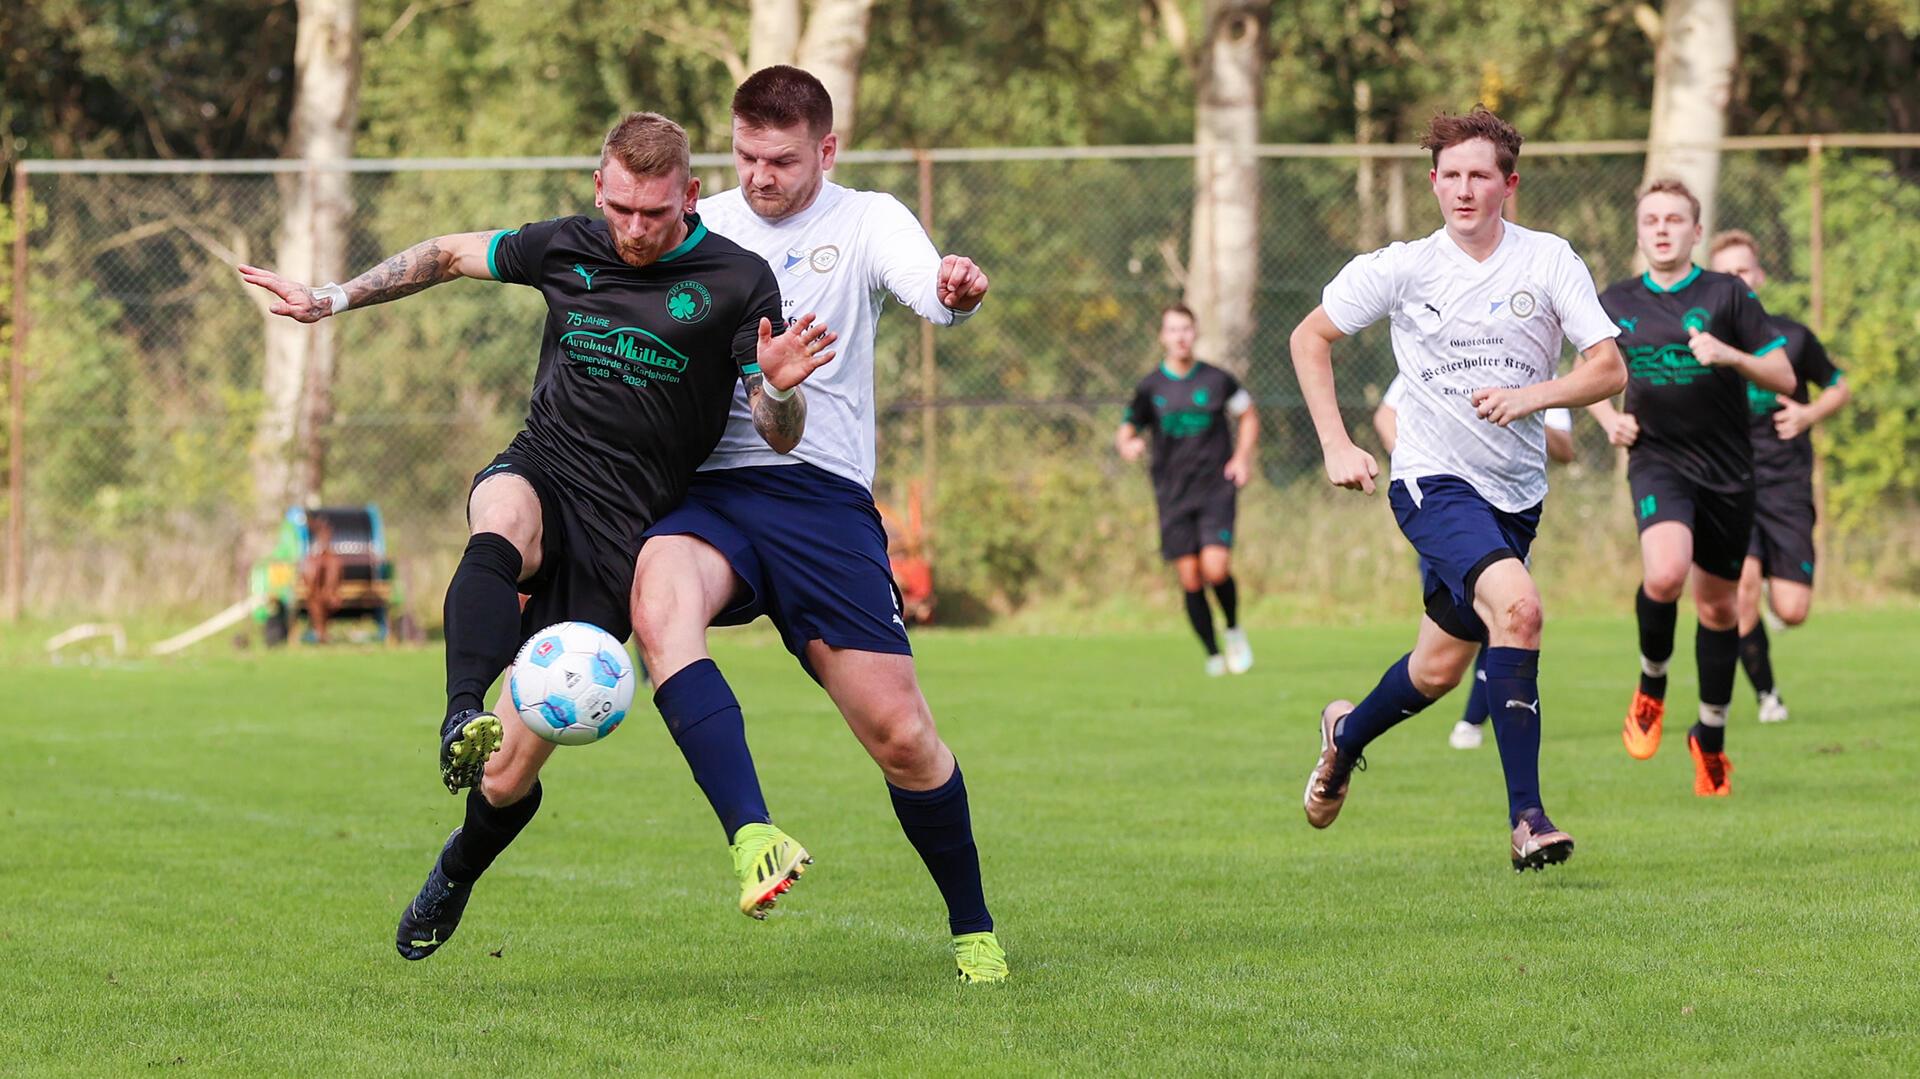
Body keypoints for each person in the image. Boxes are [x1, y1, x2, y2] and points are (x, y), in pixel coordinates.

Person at [239, 111, 838, 959]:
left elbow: (777, 429)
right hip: (545, 466)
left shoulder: (736, 282)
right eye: (621, 208)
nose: (633, 229)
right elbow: (447, 252)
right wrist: (331, 298)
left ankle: (457, 865)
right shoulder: (565, 245)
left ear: (690, 196)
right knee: (502, 520)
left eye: (654, 213)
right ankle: (458, 715)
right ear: (600, 189)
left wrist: (779, 389)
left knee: (509, 776)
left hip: (621, 533)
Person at [626, 68, 1006, 983]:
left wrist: (954, 286)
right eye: (746, 155)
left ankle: (973, 927)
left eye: (782, 160)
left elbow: (929, 285)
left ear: (826, 151)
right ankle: (753, 833)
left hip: (819, 500)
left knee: (902, 735)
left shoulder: (868, 218)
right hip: (707, 491)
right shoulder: (699, 221)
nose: (759, 175)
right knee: (659, 607)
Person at [1288, 106, 1627, 871]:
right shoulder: (1404, 266)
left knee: (1438, 668)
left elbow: (1608, 367)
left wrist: (1534, 397)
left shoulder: (1548, 261)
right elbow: (1309, 338)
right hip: (1430, 482)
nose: (1465, 190)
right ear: (1433, 182)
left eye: (1481, 175)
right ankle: (1527, 819)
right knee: (1521, 607)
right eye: (1452, 176)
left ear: (1509, 183)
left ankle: (1344, 737)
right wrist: (1337, 443)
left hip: (1516, 493)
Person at [1587, 181, 1794, 796]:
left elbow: (1781, 373)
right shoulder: (1616, 301)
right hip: (1659, 462)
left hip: (1729, 473)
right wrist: (1608, 419)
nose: (1661, 229)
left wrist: (1731, 355)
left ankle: (1710, 737)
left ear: (1695, 232)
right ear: (1639, 230)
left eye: (1674, 219)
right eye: (1650, 219)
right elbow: (1587, 375)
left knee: (1719, 609)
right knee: (1665, 575)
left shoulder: (1727, 294)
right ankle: (1651, 685)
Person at [1374, 375, 1575, 749]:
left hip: (1507, 510)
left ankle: (1474, 722)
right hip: (1444, 507)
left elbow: (1565, 448)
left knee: (1506, 614)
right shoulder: (1437, 339)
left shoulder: (1538, 365)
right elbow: (1386, 415)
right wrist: (1414, 458)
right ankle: (1349, 735)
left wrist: (1524, 406)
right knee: (1445, 653)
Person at [1706, 229, 1849, 724]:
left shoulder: (1794, 337)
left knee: (1793, 610)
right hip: (1731, 486)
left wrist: (1809, 416)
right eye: (1726, 273)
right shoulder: (1702, 347)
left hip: (1786, 486)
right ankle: (1768, 695)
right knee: (1740, 585)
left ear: (1759, 276)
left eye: (1743, 270)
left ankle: (1775, 591)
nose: (1737, 280)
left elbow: (1837, 386)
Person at [1115, 304, 1260, 676]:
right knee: (1190, 577)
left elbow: (1247, 415)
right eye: (1173, 330)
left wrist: (1241, 458)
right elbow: (1127, 429)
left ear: (1195, 333)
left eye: (1186, 329)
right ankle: (1212, 653)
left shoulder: (1217, 380)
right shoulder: (1150, 388)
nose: (1180, 336)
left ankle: (1232, 629)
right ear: (1163, 337)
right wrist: (1128, 445)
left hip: (1215, 488)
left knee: (1215, 568)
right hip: (1172, 492)